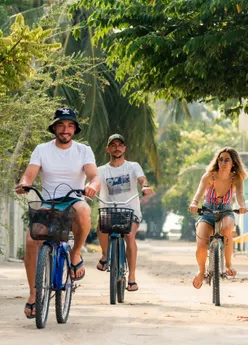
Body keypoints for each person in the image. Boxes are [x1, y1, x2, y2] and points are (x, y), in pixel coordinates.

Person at [14, 107, 100, 319]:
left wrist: (92, 186)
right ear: (54, 128)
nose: (65, 129)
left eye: (70, 125)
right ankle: (34, 294)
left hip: (74, 199)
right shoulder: (42, 150)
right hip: (48, 203)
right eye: (61, 125)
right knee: (31, 241)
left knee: (83, 209)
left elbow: (94, 176)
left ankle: (76, 253)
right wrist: (24, 184)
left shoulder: (83, 151)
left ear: (75, 129)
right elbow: (28, 175)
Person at [95, 134, 155, 292]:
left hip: (130, 211)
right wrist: (88, 188)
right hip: (109, 210)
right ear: (108, 149)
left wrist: (145, 186)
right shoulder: (101, 170)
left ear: (124, 148)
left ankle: (132, 277)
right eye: (113, 145)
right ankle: (105, 255)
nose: (117, 148)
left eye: (120, 145)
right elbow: (94, 182)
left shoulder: (133, 166)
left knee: (129, 235)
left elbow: (142, 179)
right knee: (100, 225)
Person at [188, 147, 248, 289]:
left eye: (227, 160)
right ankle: (201, 271)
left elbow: (240, 195)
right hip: (207, 211)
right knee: (201, 245)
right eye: (220, 160)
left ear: (233, 163)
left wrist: (242, 206)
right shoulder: (209, 176)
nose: (223, 163)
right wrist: (194, 203)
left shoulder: (236, 178)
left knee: (227, 229)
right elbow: (199, 193)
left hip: (226, 211)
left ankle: (228, 265)